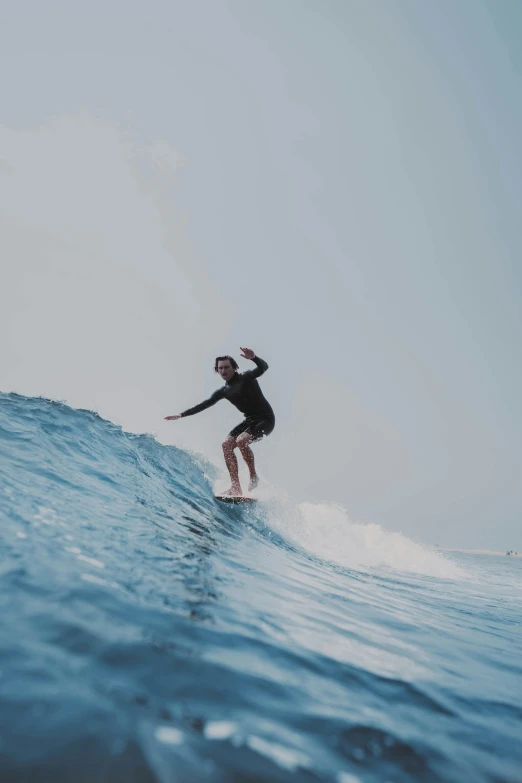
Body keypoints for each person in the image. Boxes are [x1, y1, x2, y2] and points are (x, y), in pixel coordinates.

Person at [165, 347, 274, 496]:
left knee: (242, 440)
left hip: (266, 419)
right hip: (249, 420)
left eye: (227, 367)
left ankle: (253, 476)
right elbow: (204, 405)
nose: (223, 371)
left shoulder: (246, 377)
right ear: (217, 371)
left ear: (234, 367)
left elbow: (263, 367)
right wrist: (182, 414)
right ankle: (236, 487)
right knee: (226, 445)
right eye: (220, 368)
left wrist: (254, 357)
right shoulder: (223, 391)